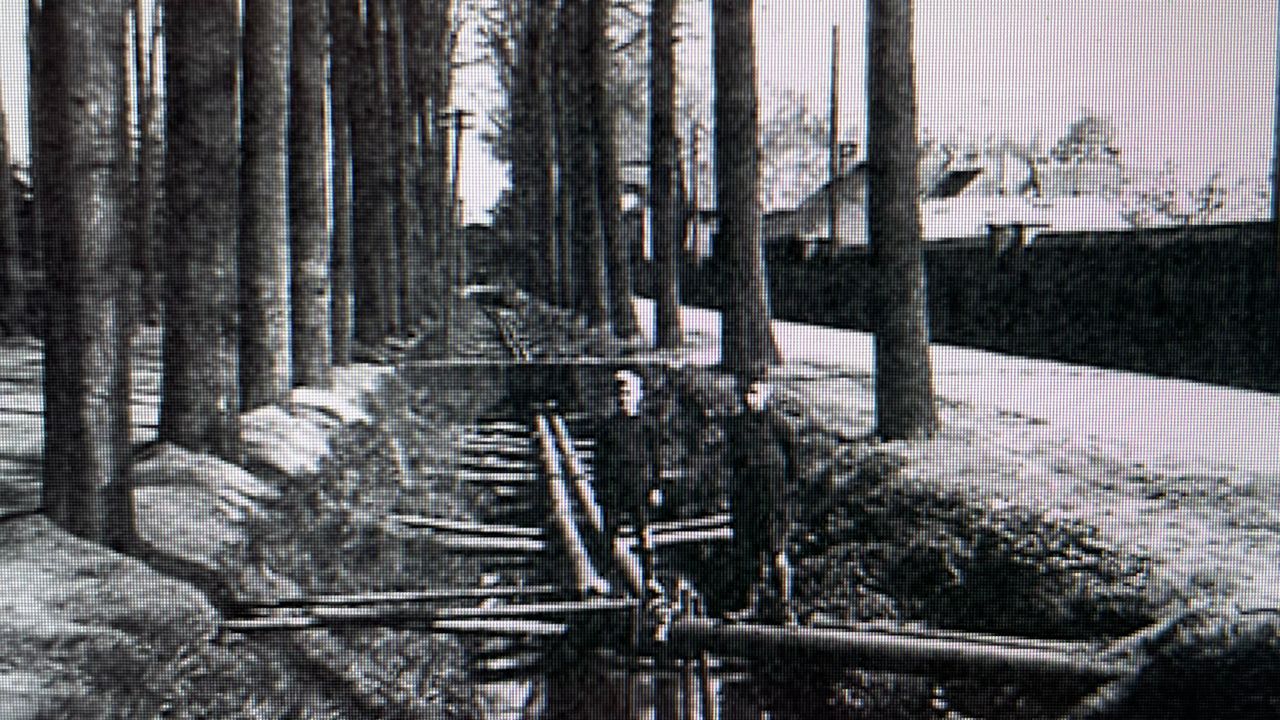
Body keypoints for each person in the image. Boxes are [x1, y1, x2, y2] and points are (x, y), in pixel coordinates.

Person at [722, 373, 798, 624]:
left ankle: (785, 605)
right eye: (746, 393)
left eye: (754, 392)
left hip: (774, 501)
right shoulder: (736, 427)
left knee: (777, 553)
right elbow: (731, 465)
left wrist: (786, 495)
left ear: (767, 392)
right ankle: (751, 605)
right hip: (747, 501)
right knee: (748, 555)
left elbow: (794, 465)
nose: (749, 398)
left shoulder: (779, 425)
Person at [592, 369, 664, 595]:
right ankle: (609, 579)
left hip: (639, 485)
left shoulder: (647, 426)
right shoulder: (607, 427)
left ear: (639, 395)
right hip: (614, 486)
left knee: (644, 532)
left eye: (629, 393)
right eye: (621, 394)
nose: (625, 398)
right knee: (610, 533)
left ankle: (650, 577)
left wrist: (656, 487)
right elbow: (599, 462)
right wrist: (600, 490)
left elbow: (656, 460)